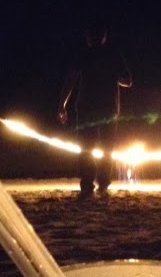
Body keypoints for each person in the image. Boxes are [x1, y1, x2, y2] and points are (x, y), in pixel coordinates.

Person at [57, 23, 133, 197]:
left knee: (86, 146)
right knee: (107, 147)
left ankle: (87, 183)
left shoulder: (84, 54)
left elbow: (70, 80)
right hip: (108, 108)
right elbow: (128, 81)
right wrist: (113, 76)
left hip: (87, 107)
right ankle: (103, 183)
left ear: (89, 37)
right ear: (104, 37)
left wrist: (62, 105)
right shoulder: (113, 54)